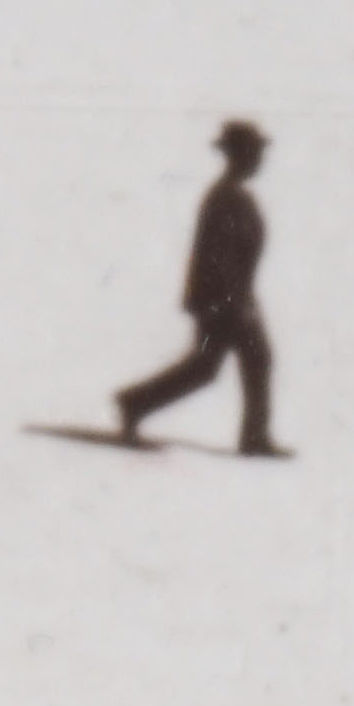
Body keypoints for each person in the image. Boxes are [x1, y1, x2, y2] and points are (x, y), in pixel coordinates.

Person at [115, 120, 279, 455]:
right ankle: (254, 437)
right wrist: (233, 303)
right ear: (240, 156)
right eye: (255, 153)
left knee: (207, 368)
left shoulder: (234, 196)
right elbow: (217, 257)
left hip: (229, 298)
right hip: (222, 300)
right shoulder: (226, 198)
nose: (260, 160)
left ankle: (134, 402)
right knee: (249, 359)